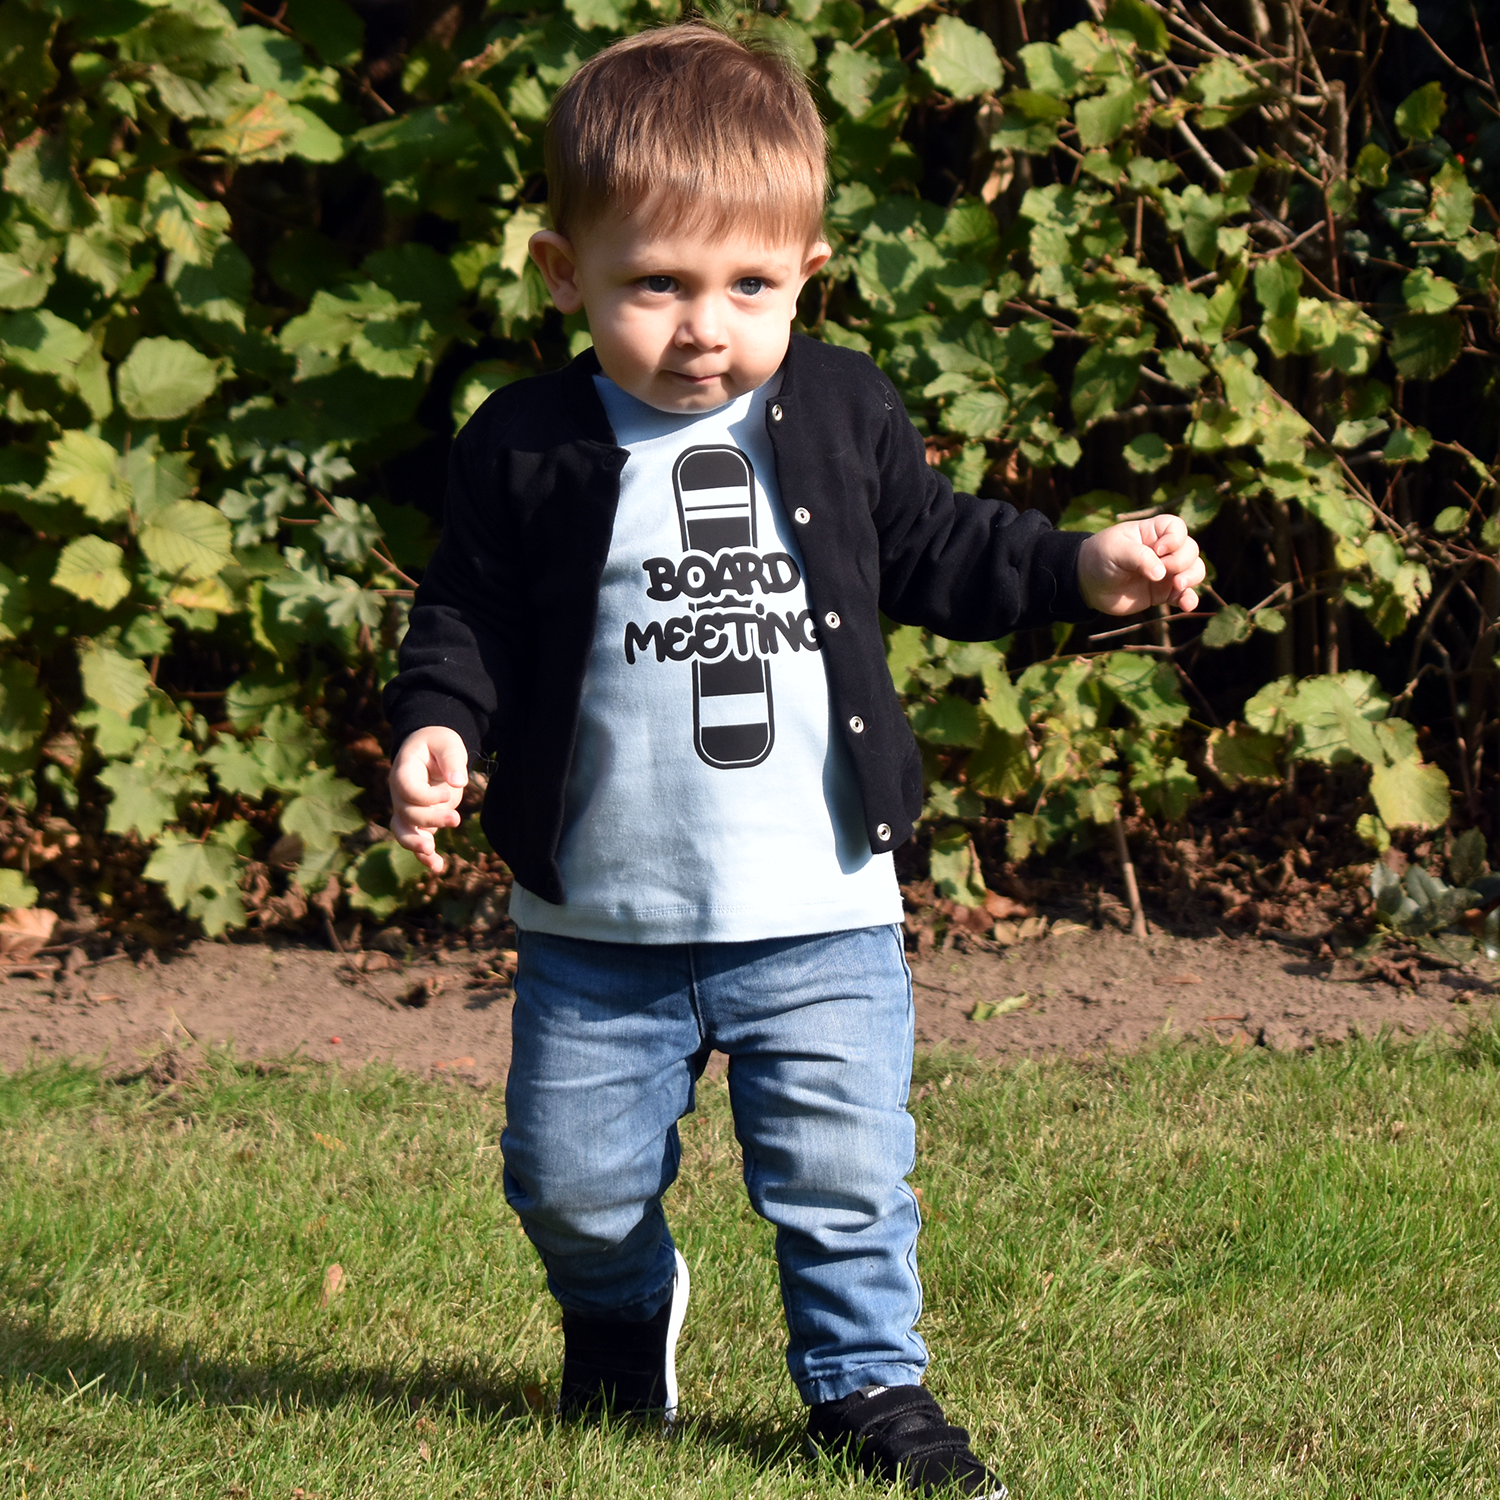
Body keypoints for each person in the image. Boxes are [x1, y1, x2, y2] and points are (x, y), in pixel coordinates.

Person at [382, 22, 1203, 1497]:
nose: (707, 327)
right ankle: (623, 1314)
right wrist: (441, 726)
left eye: (750, 286)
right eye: (657, 286)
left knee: (841, 1180)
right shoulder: (526, 445)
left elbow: (951, 551)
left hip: (818, 905)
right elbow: (469, 614)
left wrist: (1086, 565)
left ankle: (864, 1391)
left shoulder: (838, 410)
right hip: (599, 924)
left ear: (809, 268)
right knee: (566, 1182)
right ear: (564, 273)